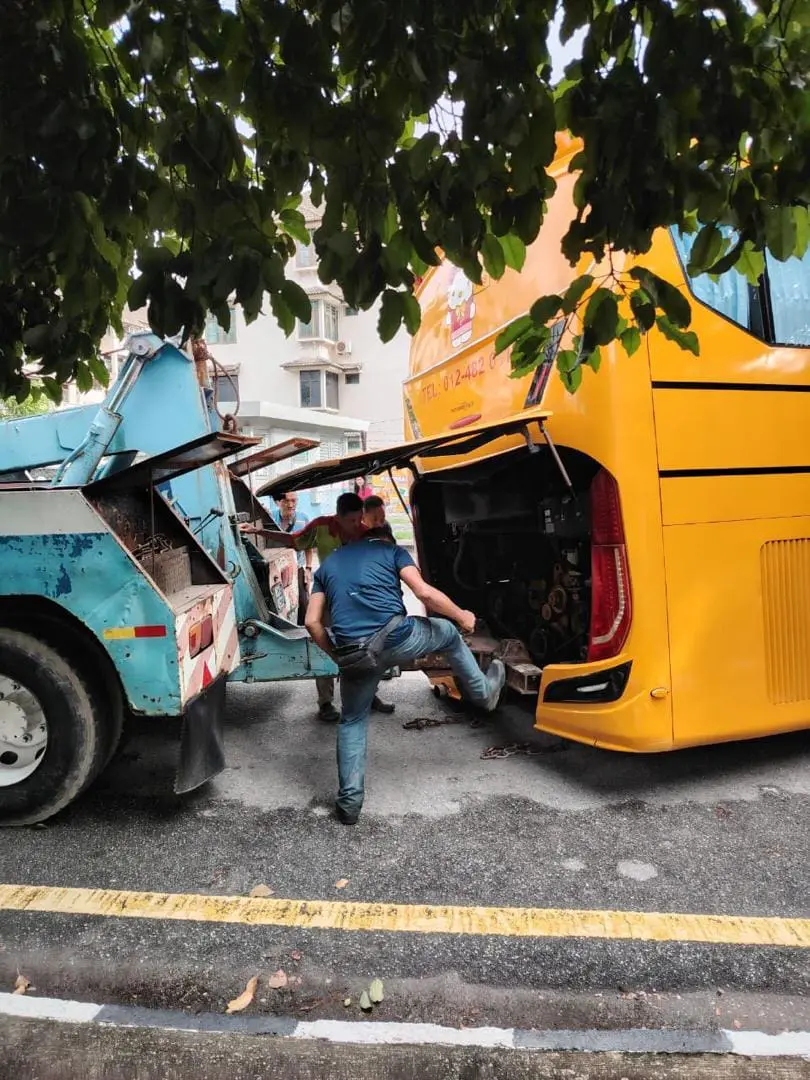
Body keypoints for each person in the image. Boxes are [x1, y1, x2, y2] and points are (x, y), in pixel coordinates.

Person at [305, 528, 506, 824]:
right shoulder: (393, 551)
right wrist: (462, 616)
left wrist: (338, 657)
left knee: (352, 720)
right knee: (449, 633)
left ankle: (349, 805)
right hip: (398, 639)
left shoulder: (328, 565)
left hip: (355, 653)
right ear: (386, 540)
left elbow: (312, 622)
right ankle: (484, 694)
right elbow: (423, 592)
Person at [242, 492, 394, 721]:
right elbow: (293, 540)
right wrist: (258, 531)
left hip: (359, 603)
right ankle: (325, 704)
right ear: (338, 516)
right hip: (329, 600)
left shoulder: (366, 535)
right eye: (351, 521)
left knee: (365, 649)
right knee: (325, 647)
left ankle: (369, 696)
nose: (356, 525)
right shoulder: (321, 526)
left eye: (359, 519)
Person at [267, 491, 311, 625]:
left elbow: (309, 546)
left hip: (297, 569)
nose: (291, 505)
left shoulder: (303, 519)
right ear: (278, 502)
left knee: (304, 604)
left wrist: (308, 569)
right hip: (275, 571)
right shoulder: (270, 517)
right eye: (287, 501)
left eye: (294, 500)